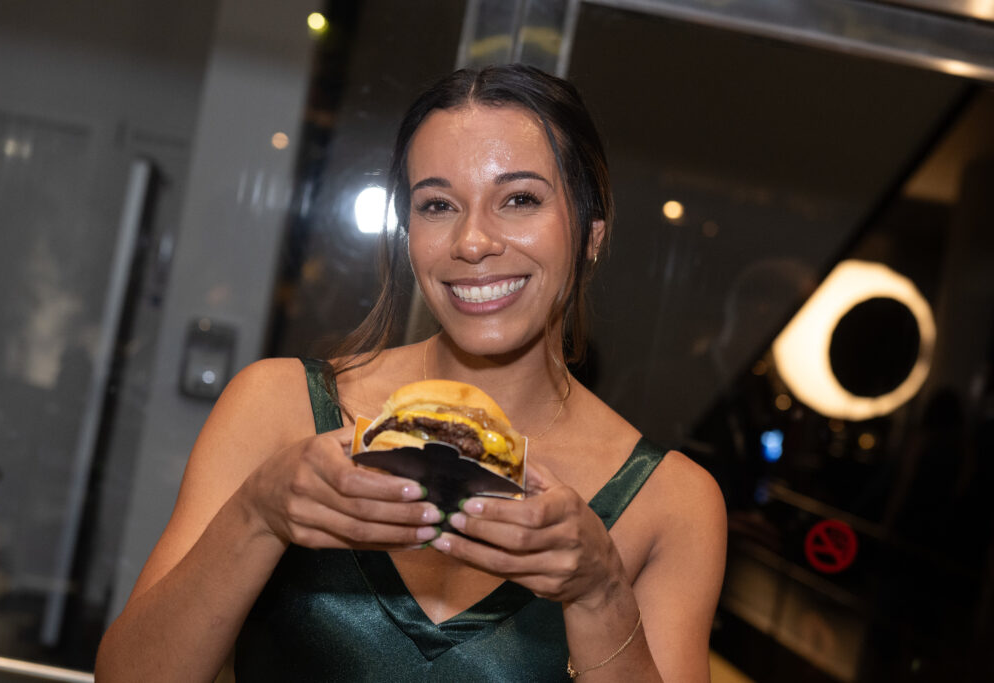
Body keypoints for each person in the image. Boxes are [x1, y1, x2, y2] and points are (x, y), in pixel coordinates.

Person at [96, 64, 726, 682]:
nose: (472, 241)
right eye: (437, 205)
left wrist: (600, 594)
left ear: (592, 231)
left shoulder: (671, 503)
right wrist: (257, 514)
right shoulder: (278, 407)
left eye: (520, 199)